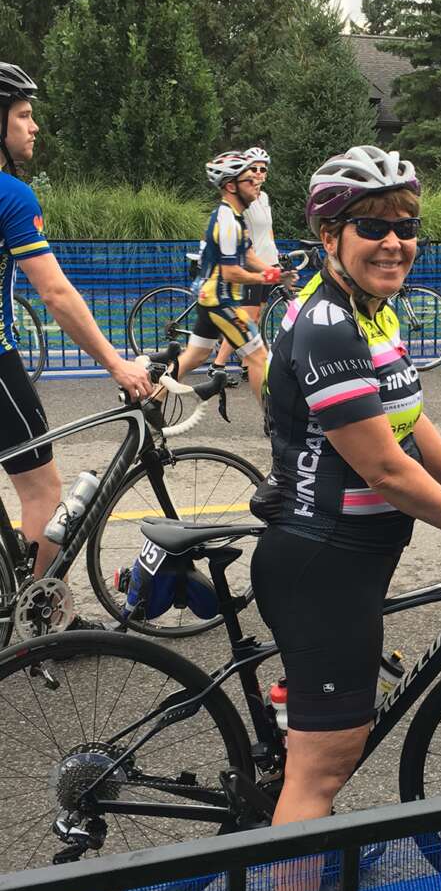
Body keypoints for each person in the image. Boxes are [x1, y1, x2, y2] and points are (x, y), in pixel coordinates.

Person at [250, 144, 441, 891]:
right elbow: (381, 465)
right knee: (322, 773)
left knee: (325, 735)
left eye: (406, 228)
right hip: (323, 559)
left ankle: (292, 736)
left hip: (352, 557)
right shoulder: (328, 326)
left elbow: (412, 425)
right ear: (331, 235)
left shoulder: (378, 313)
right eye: (372, 227)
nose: (394, 243)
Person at [0, 62, 151, 591]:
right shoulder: (11, 196)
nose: (33, 126)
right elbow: (56, 293)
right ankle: (43, 615)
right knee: (41, 488)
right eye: (22, 115)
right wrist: (117, 363)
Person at [175, 151, 294, 400]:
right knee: (258, 356)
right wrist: (269, 279)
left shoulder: (236, 217)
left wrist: (275, 272)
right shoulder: (227, 220)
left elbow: (249, 256)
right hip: (221, 301)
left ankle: (153, 398)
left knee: (194, 357)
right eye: (249, 180)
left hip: (212, 298)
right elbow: (231, 272)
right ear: (231, 186)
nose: (256, 183)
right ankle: (273, 423)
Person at [208, 145, 281, 374]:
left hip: (268, 262)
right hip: (251, 265)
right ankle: (218, 364)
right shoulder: (243, 200)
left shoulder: (265, 197)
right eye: (254, 169)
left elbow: (268, 230)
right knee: (246, 319)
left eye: (263, 169)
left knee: (256, 316)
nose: (259, 173)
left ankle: (246, 362)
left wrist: (276, 256)